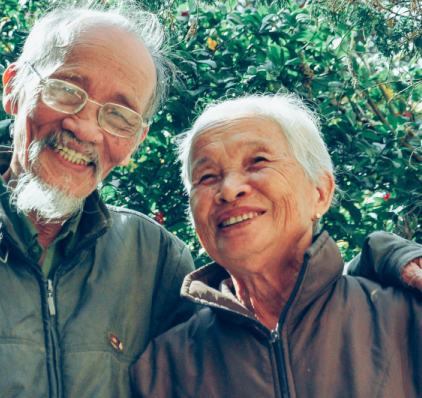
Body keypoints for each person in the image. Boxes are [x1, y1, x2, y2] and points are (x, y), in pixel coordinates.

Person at [0, 0, 420, 398]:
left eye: (119, 113)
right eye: (66, 89)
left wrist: (380, 260)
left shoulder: (149, 260)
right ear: (13, 88)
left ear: (135, 139)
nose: (87, 128)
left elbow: (278, 323)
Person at [130, 93, 422, 398]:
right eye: (206, 176)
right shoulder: (163, 369)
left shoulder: (406, 318)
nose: (229, 189)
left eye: (258, 162)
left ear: (320, 193)